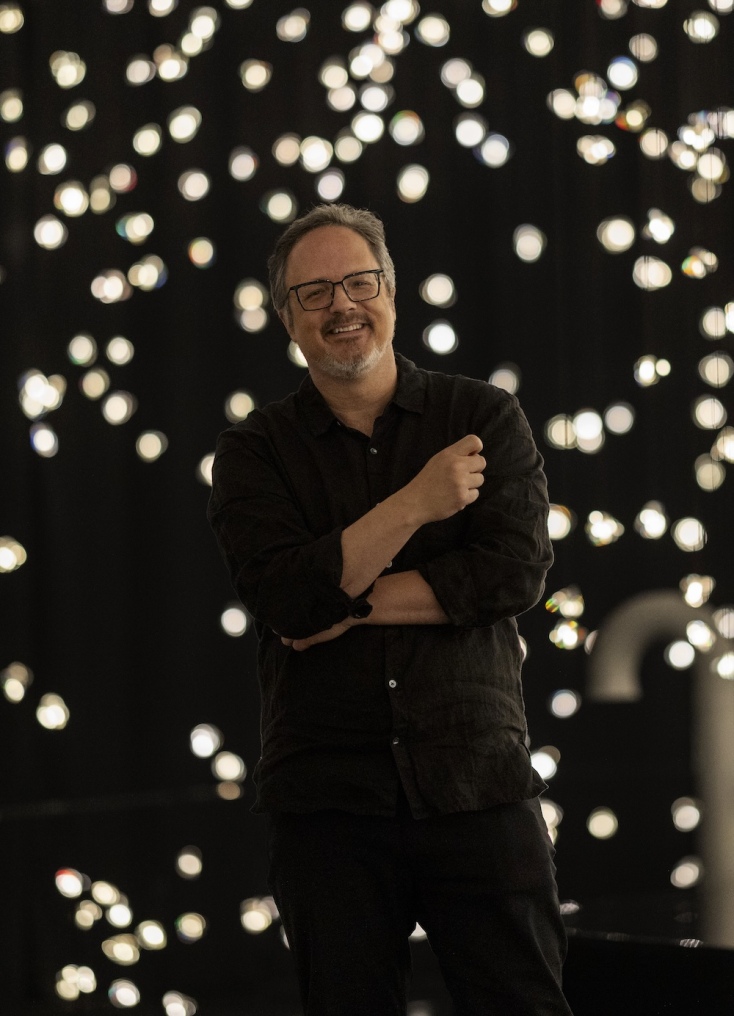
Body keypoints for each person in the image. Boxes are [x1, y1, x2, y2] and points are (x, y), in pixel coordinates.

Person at [207, 204, 573, 1016]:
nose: (341, 305)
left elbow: (513, 574)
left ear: (392, 292)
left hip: (476, 779)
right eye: (313, 293)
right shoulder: (254, 451)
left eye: (359, 282)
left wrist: (345, 602)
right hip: (327, 800)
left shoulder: (482, 416)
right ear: (287, 319)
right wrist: (416, 504)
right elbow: (283, 599)